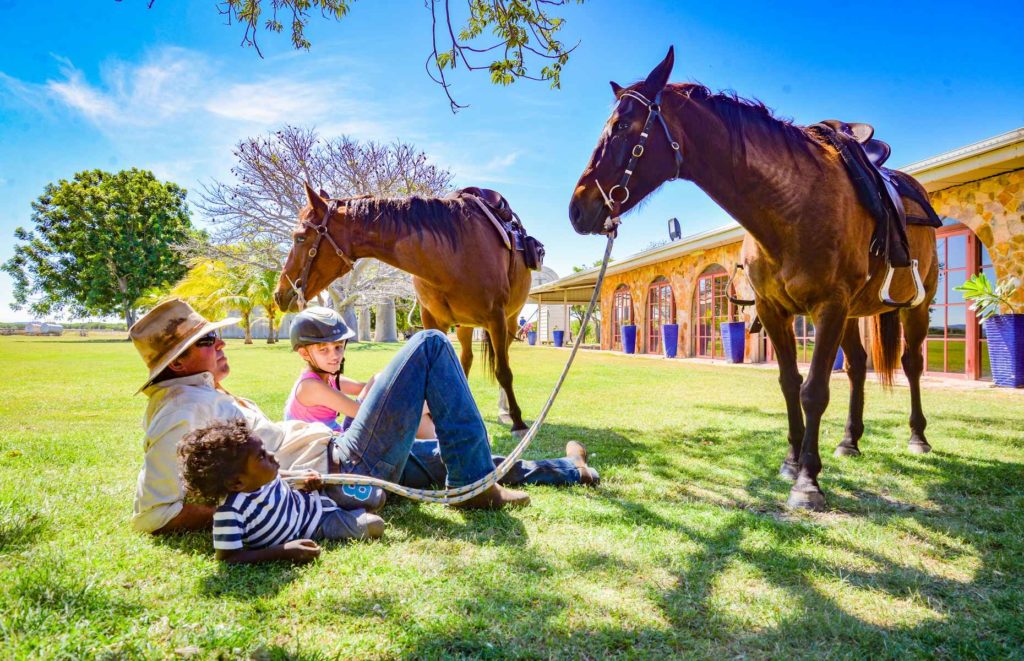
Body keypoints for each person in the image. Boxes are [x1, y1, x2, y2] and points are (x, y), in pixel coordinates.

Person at [283, 307, 599, 491]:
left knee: (460, 462)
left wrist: (413, 398)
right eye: (324, 350)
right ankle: (455, 437)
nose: (334, 355)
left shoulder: (328, 377)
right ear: (304, 353)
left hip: (353, 447)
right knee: (448, 448)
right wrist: (417, 405)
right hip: (347, 455)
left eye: (338, 347)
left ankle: (572, 469)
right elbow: (363, 410)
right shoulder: (309, 387)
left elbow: (368, 388)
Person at [178, 419, 384, 563]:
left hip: (315, 498)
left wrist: (305, 477)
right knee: (375, 525)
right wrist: (284, 551)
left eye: (265, 449)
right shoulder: (230, 513)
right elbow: (229, 557)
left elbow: (283, 476)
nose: (271, 455)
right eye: (261, 456)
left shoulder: (260, 476)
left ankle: (357, 503)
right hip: (315, 524)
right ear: (237, 483)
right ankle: (354, 512)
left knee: (378, 497)